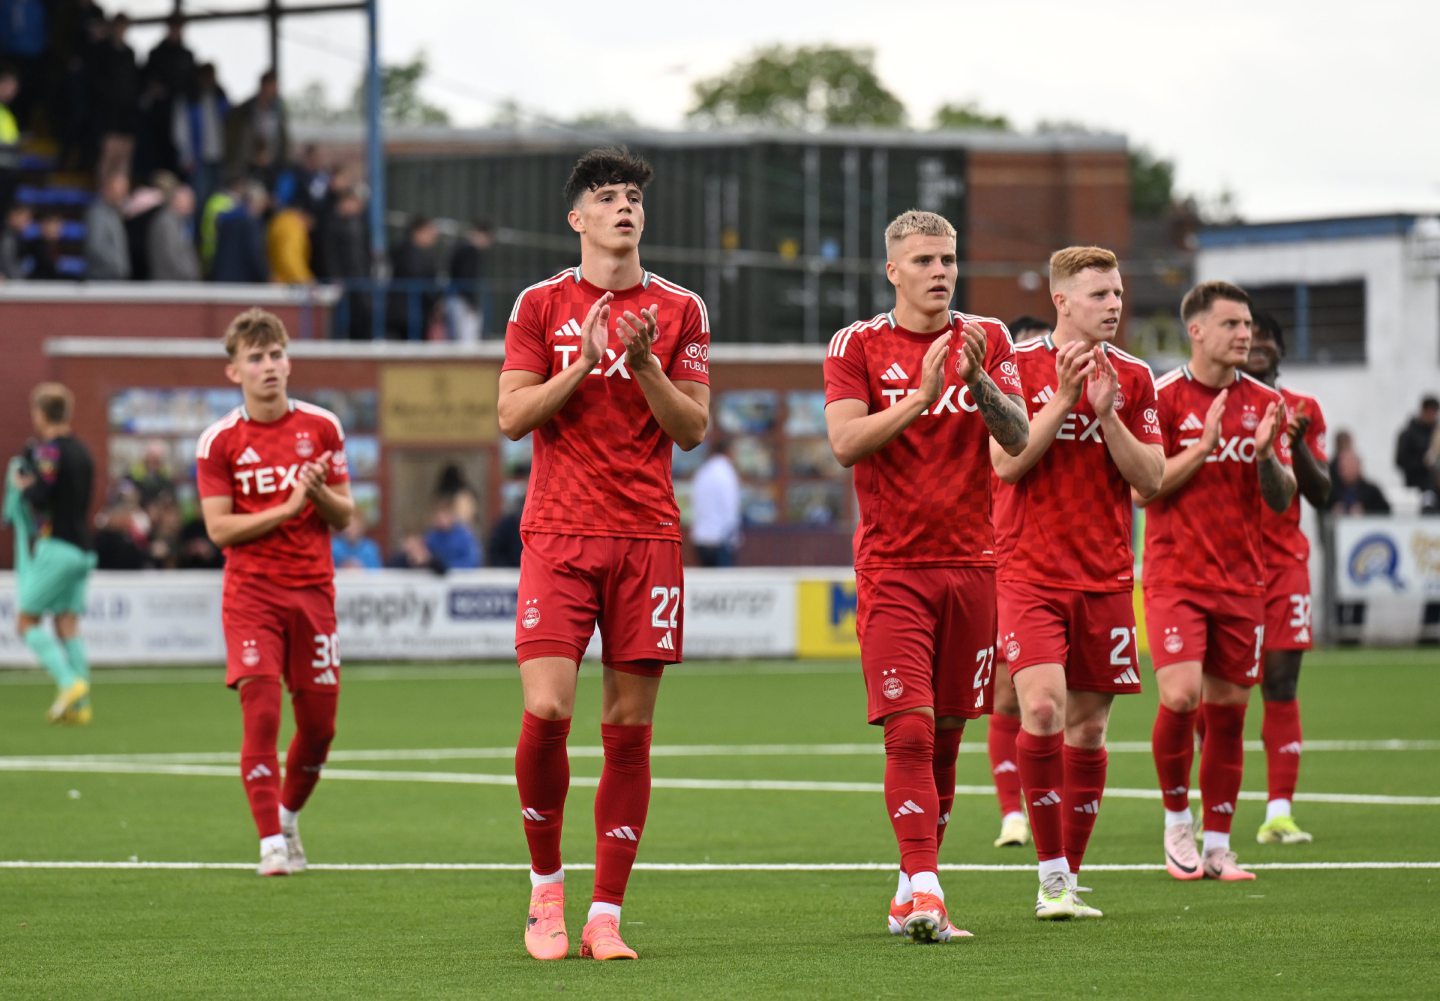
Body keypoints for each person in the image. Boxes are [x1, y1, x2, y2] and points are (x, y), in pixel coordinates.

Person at [498, 146, 710, 962]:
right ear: (576, 218)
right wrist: (583, 362)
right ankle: (545, 893)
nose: (625, 207)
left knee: (629, 730)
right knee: (548, 708)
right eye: (607, 197)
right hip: (558, 534)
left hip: (648, 537)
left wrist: (647, 363)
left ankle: (605, 913)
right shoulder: (540, 304)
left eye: (633, 197)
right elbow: (513, 416)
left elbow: (691, 429)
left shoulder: (680, 308)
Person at [823, 209, 1028, 942]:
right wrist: (917, 394)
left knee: (945, 734)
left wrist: (978, 387)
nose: (940, 271)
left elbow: (1019, 436)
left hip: (974, 566)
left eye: (947, 259)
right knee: (906, 729)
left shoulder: (989, 339)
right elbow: (845, 443)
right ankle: (930, 892)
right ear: (893, 271)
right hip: (893, 568)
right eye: (923, 261)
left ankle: (909, 885)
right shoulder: (857, 345)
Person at [989, 248, 1164, 918]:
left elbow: (1150, 479)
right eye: (1099, 295)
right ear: (1062, 301)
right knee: (1040, 710)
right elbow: (1006, 466)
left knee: (1088, 734)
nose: (1114, 305)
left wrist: (1107, 413)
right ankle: (1052, 874)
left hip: (1107, 579)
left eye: (1117, 293)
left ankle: (1070, 878)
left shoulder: (1136, 378)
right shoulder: (1015, 365)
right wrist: (1064, 400)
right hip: (1028, 571)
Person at [1138, 281, 1294, 882]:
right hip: (1175, 576)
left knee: (1229, 713)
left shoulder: (1263, 402)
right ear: (1196, 330)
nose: (1244, 334)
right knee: (1179, 697)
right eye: (1231, 324)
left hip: (1242, 582)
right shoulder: (1161, 397)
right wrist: (1202, 448)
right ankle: (1178, 820)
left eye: (1247, 323)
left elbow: (1280, 502)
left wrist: (1265, 459)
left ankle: (1219, 843)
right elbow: (1140, 487)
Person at [196, 308, 354, 877]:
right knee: (260, 713)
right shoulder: (219, 442)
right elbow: (218, 530)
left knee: (320, 728)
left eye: (276, 355)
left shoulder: (323, 427)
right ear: (233, 372)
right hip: (252, 594)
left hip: (313, 594)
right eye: (256, 358)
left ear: (289, 360)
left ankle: (287, 818)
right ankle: (270, 843)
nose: (269, 367)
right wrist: (286, 507)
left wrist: (316, 498)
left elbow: (346, 514)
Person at [1240, 311, 1331, 845]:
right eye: (1249, 335)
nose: (1257, 345)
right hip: (1224, 564)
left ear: (1279, 349)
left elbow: (1322, 494)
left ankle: (1278, 812)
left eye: (1267, 338)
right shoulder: (1216, 403)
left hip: (1284, 566)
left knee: (1280, 682)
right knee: (1214, 694)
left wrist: (1293, 440)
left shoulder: (1304, 409)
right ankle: (1212, 803)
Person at [985, 310, 1059, 847]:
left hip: (1058, 566)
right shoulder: (995, 409)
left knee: (1060, 707)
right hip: (1001, 562)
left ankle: (1046, 811)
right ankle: (1012, 812)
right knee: (1009, 695)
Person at [3, 384, 97, 724]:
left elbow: (42, 497)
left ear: (40, 414)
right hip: (84, 549)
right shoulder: (83, 452)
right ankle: (81, 703)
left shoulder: (50, 452)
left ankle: (68, 682)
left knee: (26, 619)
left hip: (56, 546)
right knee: (67, 622)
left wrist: (24, 486)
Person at [689, 437, 742, 566]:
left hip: (701, 538)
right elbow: (730, 507)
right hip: (720, 539)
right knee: (724, 584)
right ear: (729, 451)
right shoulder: (726, 472)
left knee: (707, 583)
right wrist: (733, 538)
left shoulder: (703, 471)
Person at [148, 184, 201, 282]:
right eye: (189, 201)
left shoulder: (179, 222)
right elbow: (171, 255)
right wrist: (189, 275)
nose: (192, 206)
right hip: (170, 283)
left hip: (176, 282)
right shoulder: (167, 222)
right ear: (176, 200)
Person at [84, 172, 131, 280]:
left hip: (115, 276)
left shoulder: (115, 214)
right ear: (108, 189)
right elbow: (95, 246)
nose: (124, 194)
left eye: (124, 190)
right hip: (102, 277)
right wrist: (117, 264)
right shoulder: (97, 213)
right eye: (119, 190)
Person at [1395, 395, 1439, 511]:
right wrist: (1423, 462)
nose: (1432, 415)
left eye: (1434, 412)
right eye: (1429, 411)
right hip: (1417, 482)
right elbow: (1400, 461)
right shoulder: (1408, 434)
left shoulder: (1437, 433)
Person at [423, 498, 481, 570]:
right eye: (438, 516)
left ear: (452, 516)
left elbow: (472, 561)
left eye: (444, 515)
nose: (441, 519)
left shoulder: (464, 536)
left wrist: (447, 567)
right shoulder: (431, 537)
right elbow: (426, 558)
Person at [1330, 448, 1390, 515]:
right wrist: (1332, 511)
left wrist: (1365, 511)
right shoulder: (1331, 491)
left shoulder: (1371, 491)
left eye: (1350, 466)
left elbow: (1385, 511)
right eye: (1343, 467)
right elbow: (1321, 510)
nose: (1346, 470)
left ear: (1358, 466)